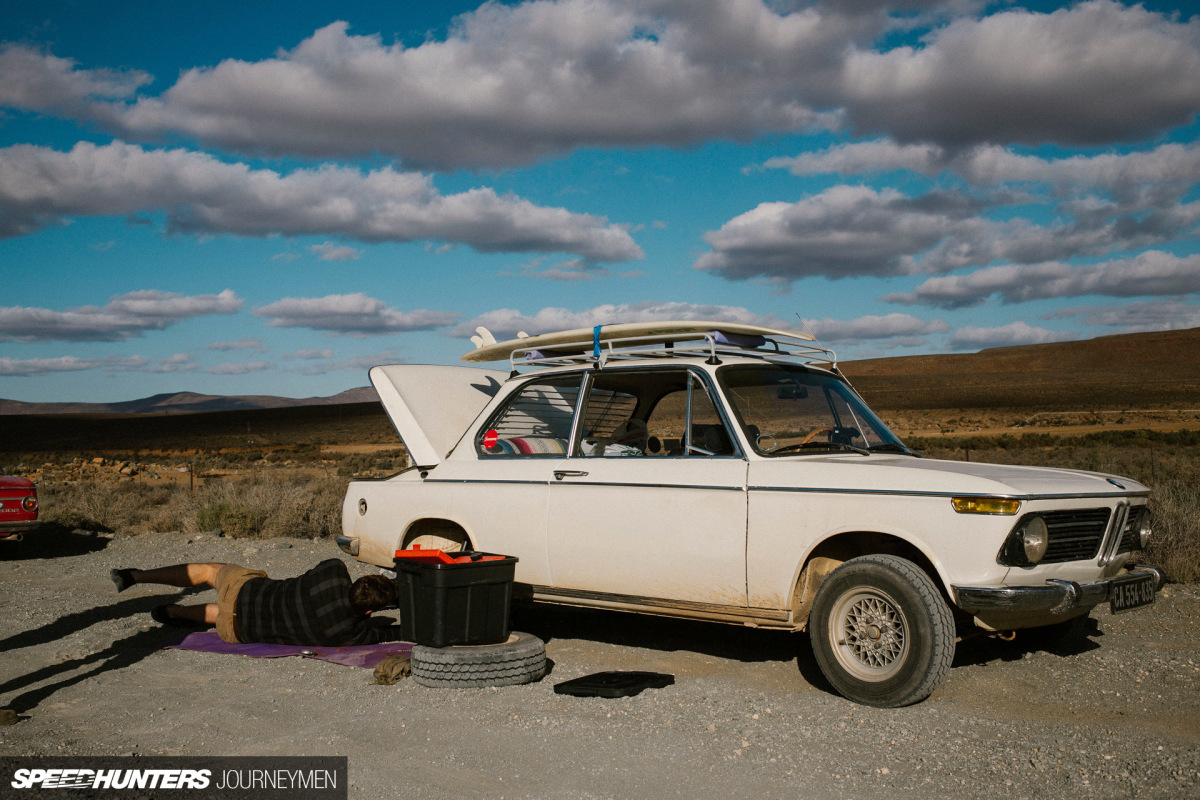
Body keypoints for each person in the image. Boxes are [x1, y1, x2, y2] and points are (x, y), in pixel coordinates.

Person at [110, 559, 403, 646]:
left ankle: (136, 575)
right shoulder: (351, 633)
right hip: (236, 630)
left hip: (245, 592)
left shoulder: (334, 574)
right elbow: (391, 633)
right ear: (368, 611)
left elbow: (330, 565)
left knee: (210, 573)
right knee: (226, 615)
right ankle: (173, 612)